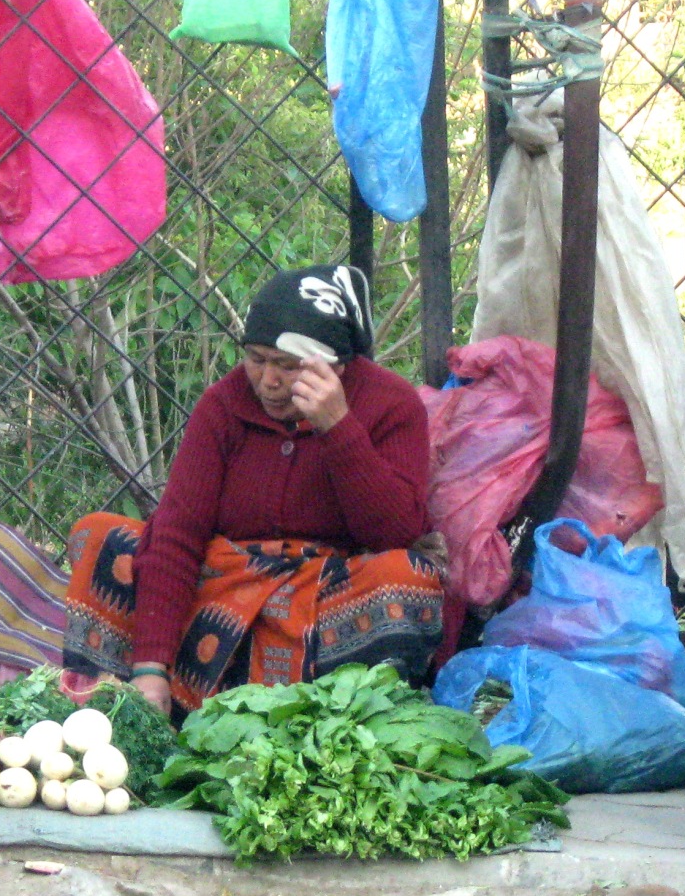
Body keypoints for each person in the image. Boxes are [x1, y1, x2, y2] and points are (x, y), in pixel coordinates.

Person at [61, 263, 443, 715]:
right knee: (100, 536)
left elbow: (395, 533)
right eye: (257, 359)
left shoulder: (391, 405)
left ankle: (334, 714)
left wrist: (338, 428)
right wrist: (150, 666)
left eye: (288, 366)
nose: (268, 380)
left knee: (407, 577)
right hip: (222, 593)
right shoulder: (223, 405)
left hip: (325, 598)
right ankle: (132, 705)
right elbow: (178, 532)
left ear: (336, 366)